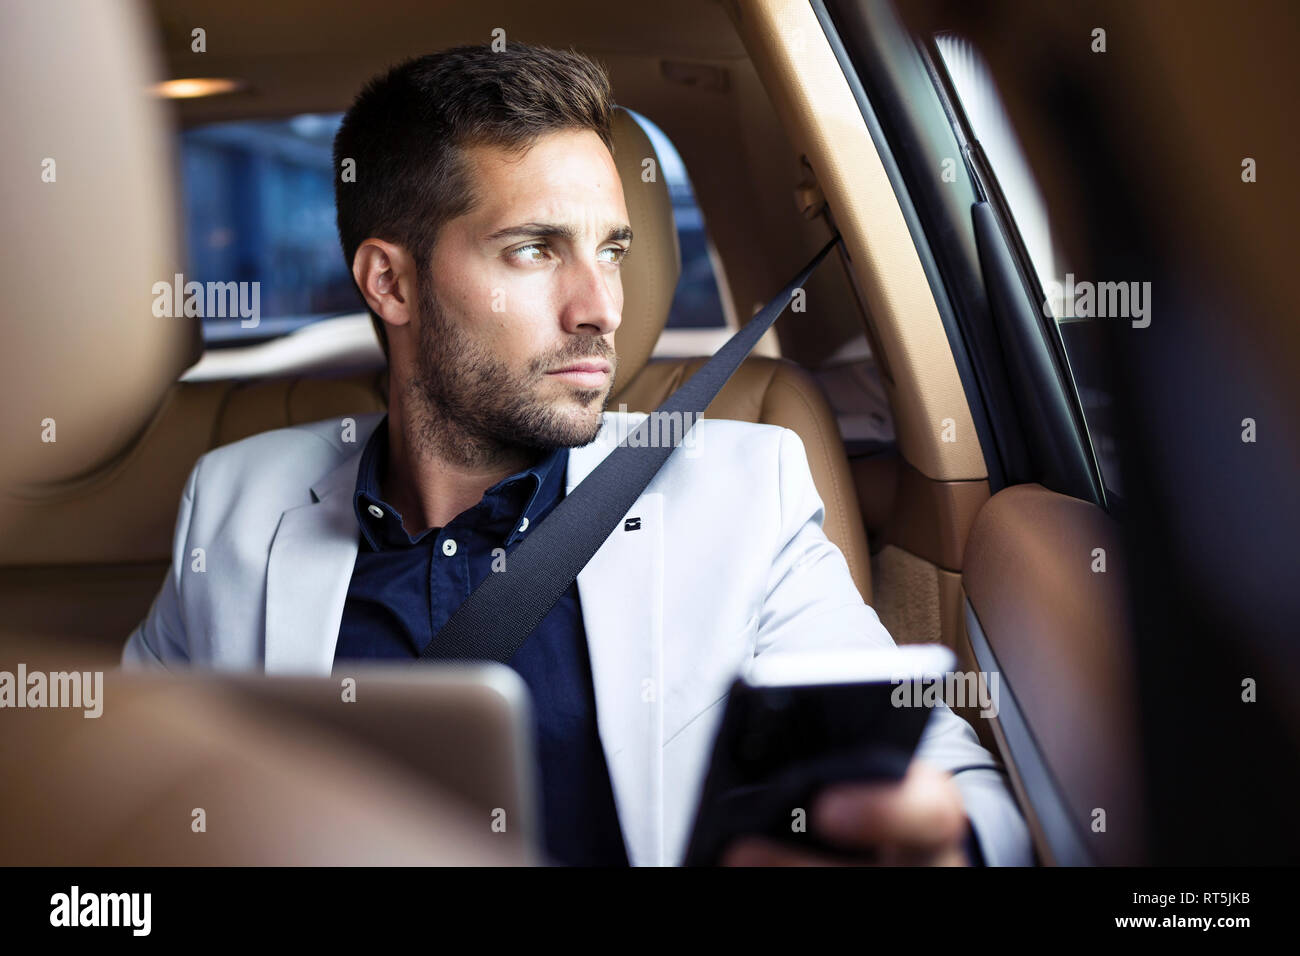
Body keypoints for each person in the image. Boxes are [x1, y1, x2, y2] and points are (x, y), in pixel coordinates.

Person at [124, 42, 1032, 868]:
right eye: (533, 250)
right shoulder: (238, 502)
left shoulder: (743, 492)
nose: (600, 305)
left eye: (613, 249)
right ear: (390, 282)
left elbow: (953, 780)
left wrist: (941, 840)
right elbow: (131, 797)